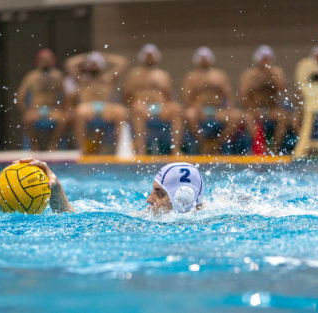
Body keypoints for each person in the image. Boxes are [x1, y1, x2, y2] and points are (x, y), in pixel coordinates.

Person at [12, 159, 204, 215]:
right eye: (153, 190)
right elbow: (75, 220)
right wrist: (55, 188)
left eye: (160, 194)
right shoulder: (143, 217)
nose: (148, 199)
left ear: (183, 200)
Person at [123, 44, 183, 155]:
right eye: (147, 56)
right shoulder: (134, 74)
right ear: (142, 57)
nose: (149, 58)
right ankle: (141, 150)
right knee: (137, 108)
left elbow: (169, 97)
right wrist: (135, 104)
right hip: (142, 107)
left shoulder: (163, 75)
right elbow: (127, 96)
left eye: (151, 56)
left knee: (177, 109)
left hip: (161, 107)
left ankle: (175, 149)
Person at [182, 47, 243, 154]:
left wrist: (228, 108)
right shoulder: (191, 76)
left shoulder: (220, 75)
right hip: (199, 111)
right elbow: (187, 99)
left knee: (236, 115)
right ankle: (203, 142)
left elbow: (228, 95)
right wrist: (196, 107)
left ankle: (218, 143)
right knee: (189, 115)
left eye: (206, 58)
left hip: (217, 110)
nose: (204, 60)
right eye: (202, 58)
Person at [65, 51, 128, 154]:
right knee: (79, 112)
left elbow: (122, 62)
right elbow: (69, 63)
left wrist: (104, 56)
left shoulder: (108, 78)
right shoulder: (82, 79)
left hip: (105, 107)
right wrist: (87, 56)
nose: (94, 65)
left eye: (97, 63)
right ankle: (83, 149)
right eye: (92, 63)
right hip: (88, 108)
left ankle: (117, 151)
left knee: (121, 112)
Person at [239, 45, 291, 154]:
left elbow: (282, 90)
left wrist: (271, 74)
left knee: (283, 117)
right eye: (263, 59)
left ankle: (275, 148)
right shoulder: (249, 75)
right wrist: (253, 109)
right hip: (254, 109)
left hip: (272, 109)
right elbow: (243, 96)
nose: (265, 62)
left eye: (267, 59)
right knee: (248, 118)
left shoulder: (277, 72)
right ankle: (261, 148)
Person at [16, 49, 67, 151]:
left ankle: (54, 144)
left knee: (64, 119)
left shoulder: (58, 76)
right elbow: (20, 96)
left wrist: (62, 108)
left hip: (52, 110)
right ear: (37, 61)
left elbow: (65, 95)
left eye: (48, 59)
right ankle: (34, 145)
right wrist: (25, 110)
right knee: (27, 119)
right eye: (43, 59)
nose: (45, 62)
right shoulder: (31, 77)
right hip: (36, 110)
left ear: (53, 61)